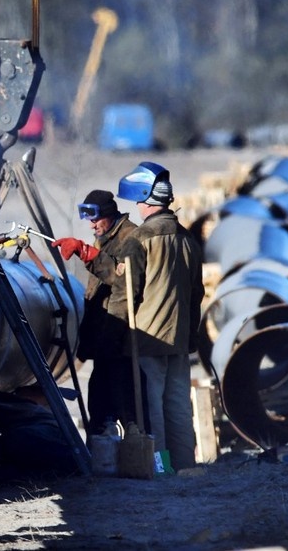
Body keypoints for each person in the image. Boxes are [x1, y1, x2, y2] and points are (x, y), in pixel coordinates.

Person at [117, 161, 203, 470]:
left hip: (147, 340)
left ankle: (160, 468)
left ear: (146, 199)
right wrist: (189, 338)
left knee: (151, 411)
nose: (137, 207)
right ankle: (184, 467)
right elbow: (197, 294)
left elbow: (126, 294)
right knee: (178, 408)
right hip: (179, 340)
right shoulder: (188, 239)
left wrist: (116, 336)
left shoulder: (139, 239)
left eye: (138, 201)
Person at [52, 189, 138, 436]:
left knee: (130, 411)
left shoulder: (130, 238)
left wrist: (88, 254)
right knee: (99, 406)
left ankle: (147, 457)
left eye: (96, 219)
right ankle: (103, 454)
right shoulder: (105, 238)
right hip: (105, 341)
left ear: (109, 214)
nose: (91, 225)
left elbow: (124, 283)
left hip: (121, 340)